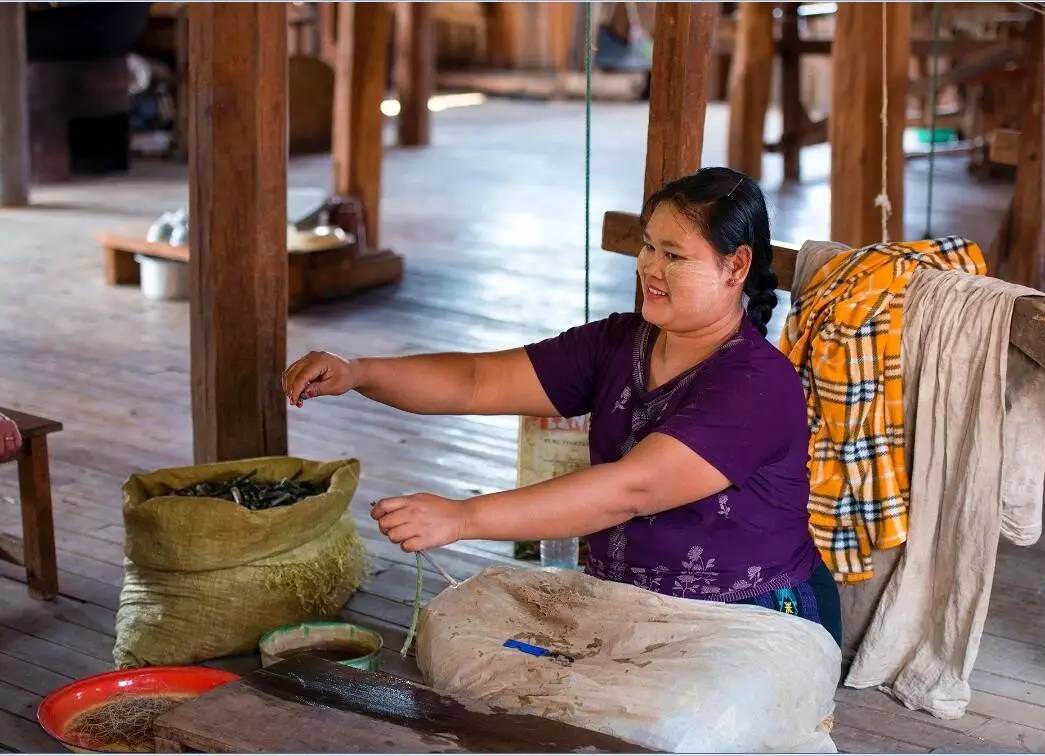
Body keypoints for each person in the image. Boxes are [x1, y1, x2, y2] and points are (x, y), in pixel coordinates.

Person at [282, 167, 842, 646]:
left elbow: (630, 490)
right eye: (648, 245)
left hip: (754, 623)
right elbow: (477, 381)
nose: (650, 266)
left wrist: (463, 517)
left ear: (736, 267)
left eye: (674, 255)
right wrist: (359, 372)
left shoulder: (756, 385)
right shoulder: (619, 343)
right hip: (627, 605)